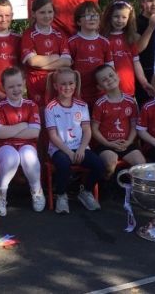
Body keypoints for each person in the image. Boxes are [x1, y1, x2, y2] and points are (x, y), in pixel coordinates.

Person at [45, 67, 105, 213]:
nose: (67, 87)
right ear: (55, 86)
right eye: (63, 84)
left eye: (71, 83)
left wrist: (82, 149)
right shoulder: (51, 108)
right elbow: (53, 136)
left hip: (80, 147)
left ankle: (86, 192)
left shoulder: (82, 105)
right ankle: (61, 196)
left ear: (76, 84)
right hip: (60, 149)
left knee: (99, 165)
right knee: (64, 164)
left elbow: (87, 131)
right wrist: (69, 153)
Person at [0, 67, 45, 216]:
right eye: (11, 86)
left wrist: (10, 130)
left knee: (29, 157)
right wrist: (22, 125)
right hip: (3, 146)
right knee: (11, 157)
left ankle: (37, 190)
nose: (16, 89)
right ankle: (1, 195)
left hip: (26, 145)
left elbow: (35, 132)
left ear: (24, 83)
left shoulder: (31, 105)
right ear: (3, 88)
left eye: (19, 85)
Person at [91, 65, 145, 180]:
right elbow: (94, 129)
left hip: (126, 143)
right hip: (106, 145)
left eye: (111, 75)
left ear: (118, 76)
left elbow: (134, 125)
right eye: (104, 79)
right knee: (110, 162)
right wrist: (108, 144)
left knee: (141, 164)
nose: (109, 79)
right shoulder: (100, 104)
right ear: (100, 87)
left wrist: (129, 141)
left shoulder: (130, 101)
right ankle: (107, 187)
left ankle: (134, 191)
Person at [21, 0, 71, 107]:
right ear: (34, 14)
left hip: (58, 82)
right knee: (41, 118)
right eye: (42, 12)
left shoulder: (59, 34)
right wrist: (55, 57)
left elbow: (67, 62)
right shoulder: (29, 34)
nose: (47, 16)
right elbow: (32, 61)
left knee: (59, 117)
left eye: (50, 12)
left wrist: (41, 66)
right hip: (36, 84)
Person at [100, 0, 152, 97]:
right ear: (109, 17)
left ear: (129, 19)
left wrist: (144, 82)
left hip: (128, 88)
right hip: (108, 90)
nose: (120, 20)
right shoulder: (103, 39)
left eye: (124, 17)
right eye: (116, 16)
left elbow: (136, 62)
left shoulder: (130, 39)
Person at [68, 1, 114, 108]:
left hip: (101, 93)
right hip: (79, 93)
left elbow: (110, 68)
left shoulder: (104, 42)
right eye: (88, 16)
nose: (92, 18)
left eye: (95, 15)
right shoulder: (72, 42)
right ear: (79, 21)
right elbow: (68, 69)